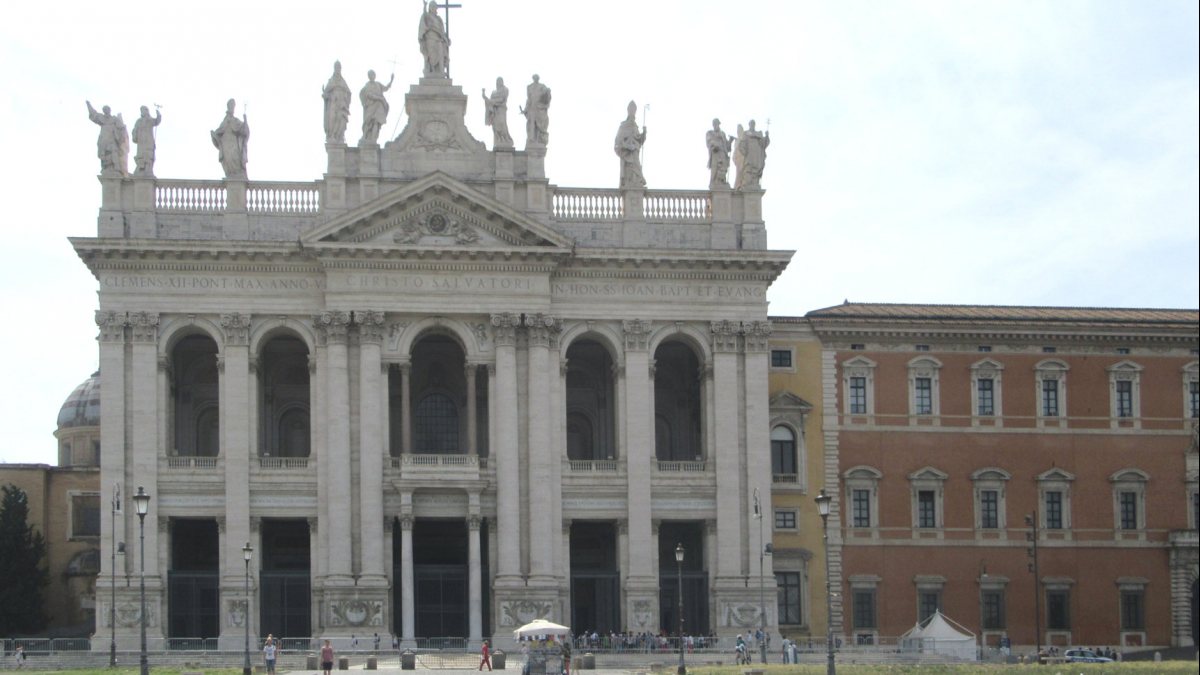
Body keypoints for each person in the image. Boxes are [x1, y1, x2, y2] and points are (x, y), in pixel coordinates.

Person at [86, 101, 129, 176]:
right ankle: (106, 167)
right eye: (104, 110)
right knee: (104, 153)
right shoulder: (102, 118)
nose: (106, 111)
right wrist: (89, 105)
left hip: (112, 139)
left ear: (110, 110)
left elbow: (121, 127)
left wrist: (121, 137)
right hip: (103, 138)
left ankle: (116, 168)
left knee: (113, 152)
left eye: (107, 109)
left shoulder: (114, 119)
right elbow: (94, 114)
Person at [211, 98, 249, 178]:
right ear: (228, 107)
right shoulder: (225, 121)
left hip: (234, 144)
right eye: (231, 105)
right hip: (226, 145)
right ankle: (232, 175)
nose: (232, 107)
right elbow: (219, 132)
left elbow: (244, 131)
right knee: (228, 159)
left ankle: (237, 175)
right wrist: (214, 135)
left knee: (235, 158)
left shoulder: (235, 120)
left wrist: (245, 121)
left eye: (233, 106)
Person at [614, 100, 647, 188]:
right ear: (628, 111)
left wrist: (644, 133)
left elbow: (639, 141)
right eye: (631, 110)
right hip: (627, 155)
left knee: (637, 170)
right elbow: (617, 143)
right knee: (631, 170)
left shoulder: (635, 126)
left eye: (634, 110)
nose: (633, 112)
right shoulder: (623, 126)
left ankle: (638, 181)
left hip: (635, 154)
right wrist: (627, 146)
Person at [359, 69, 394, 145]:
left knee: (376, 123)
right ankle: (365, 137)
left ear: (374, 75)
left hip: (379, 106)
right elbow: (369, 95)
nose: (372, 76)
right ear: (369, 76)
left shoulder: (378, 84)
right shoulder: (367, 85)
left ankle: (373, 140)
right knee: (368, 122)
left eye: (373, 74)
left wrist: (391, 80)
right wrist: (379, 98)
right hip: (371, 106)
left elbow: (386, 88)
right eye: (370, 75)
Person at [733, 119, 770, 190]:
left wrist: (767, 136)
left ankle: (754, 184)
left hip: (757, 156)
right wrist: (744, 151)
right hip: (749, 156)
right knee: (748, 169)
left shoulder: (759, 133)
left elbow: (764, 144)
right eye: (751, 124)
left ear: (754, 125)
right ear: (749, 125)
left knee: (755, 170)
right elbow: (742, 145)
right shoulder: (746, 134)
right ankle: (748, 184)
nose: (752, 125)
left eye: (753, 124)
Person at [322, 61, 352, 143]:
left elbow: (349, 93)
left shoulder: (343, 81)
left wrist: (346, 99)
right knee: (332, 118)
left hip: (342, 104)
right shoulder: (331, 80)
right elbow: (325, 93)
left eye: (339, 67)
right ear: (334, 68)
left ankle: (339, 136)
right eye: (336, 67)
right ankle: (332, 135)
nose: (338, 69)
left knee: (341, 119)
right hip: (333, 103)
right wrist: (328, 95)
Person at [418, 0, 449, 77]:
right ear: (430, 8)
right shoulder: (427, 16)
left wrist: (445, 38)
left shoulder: (439, 19)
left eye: (435, 7)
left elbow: (442, 30)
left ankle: (441, 72)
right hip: (430, 38)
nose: (434, 8)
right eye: (432, 7)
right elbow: (424, 17)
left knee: (441, 52)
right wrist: (424, 7)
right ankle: (431, 70)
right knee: (430, 55)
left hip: (439, 39)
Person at [482, 77, 513, 149]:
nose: (499, 82)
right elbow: (489, 101)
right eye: (497, 81)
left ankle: (505, 140)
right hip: (494, 111)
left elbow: (502, 99)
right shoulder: (493, 92)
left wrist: (492, 101)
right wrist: (484, 96)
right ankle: (499, 140)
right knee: (495, 126)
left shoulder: (505, 89)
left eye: (500, 81)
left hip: (501, 109)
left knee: (502, 123)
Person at [521, 74, 551, 148]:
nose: (535, 79)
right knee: (531, 124)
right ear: (533, 78)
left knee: (539, 125)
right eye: (534, 78)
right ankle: (532, 140)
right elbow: (529, 100)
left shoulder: (542, 86)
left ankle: (538, 140)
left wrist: (547, 92)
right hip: (532, 108)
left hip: (539, 108)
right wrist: (525, 110)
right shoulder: (529, 87)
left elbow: (547, 96)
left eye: (537, 78)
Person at [131, 105, 162, 176]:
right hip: (141, 141)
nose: (142, 112)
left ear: (147, 111)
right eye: (141, 110)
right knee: (140, 154)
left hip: (148, 140)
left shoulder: (150, 120)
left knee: (149, 153)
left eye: (143, 110)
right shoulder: (138, 121)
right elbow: (135, 130)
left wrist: (158, 114)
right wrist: (135, 135)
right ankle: (141, 167)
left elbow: (157, 121)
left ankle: (148, 168)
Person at [706, 118, 734, 188]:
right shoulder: (710, 133)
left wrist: (730, 141)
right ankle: (715, 182)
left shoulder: (723, 134)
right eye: (715, 124)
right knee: (715, 168)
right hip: (716, 153)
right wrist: (714, 145)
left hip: (723, 153)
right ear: (713, 125)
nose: (717, 125)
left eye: (717, 124)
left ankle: (722, 181)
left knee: (723, 168)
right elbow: (709, 141)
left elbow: (727, 147)